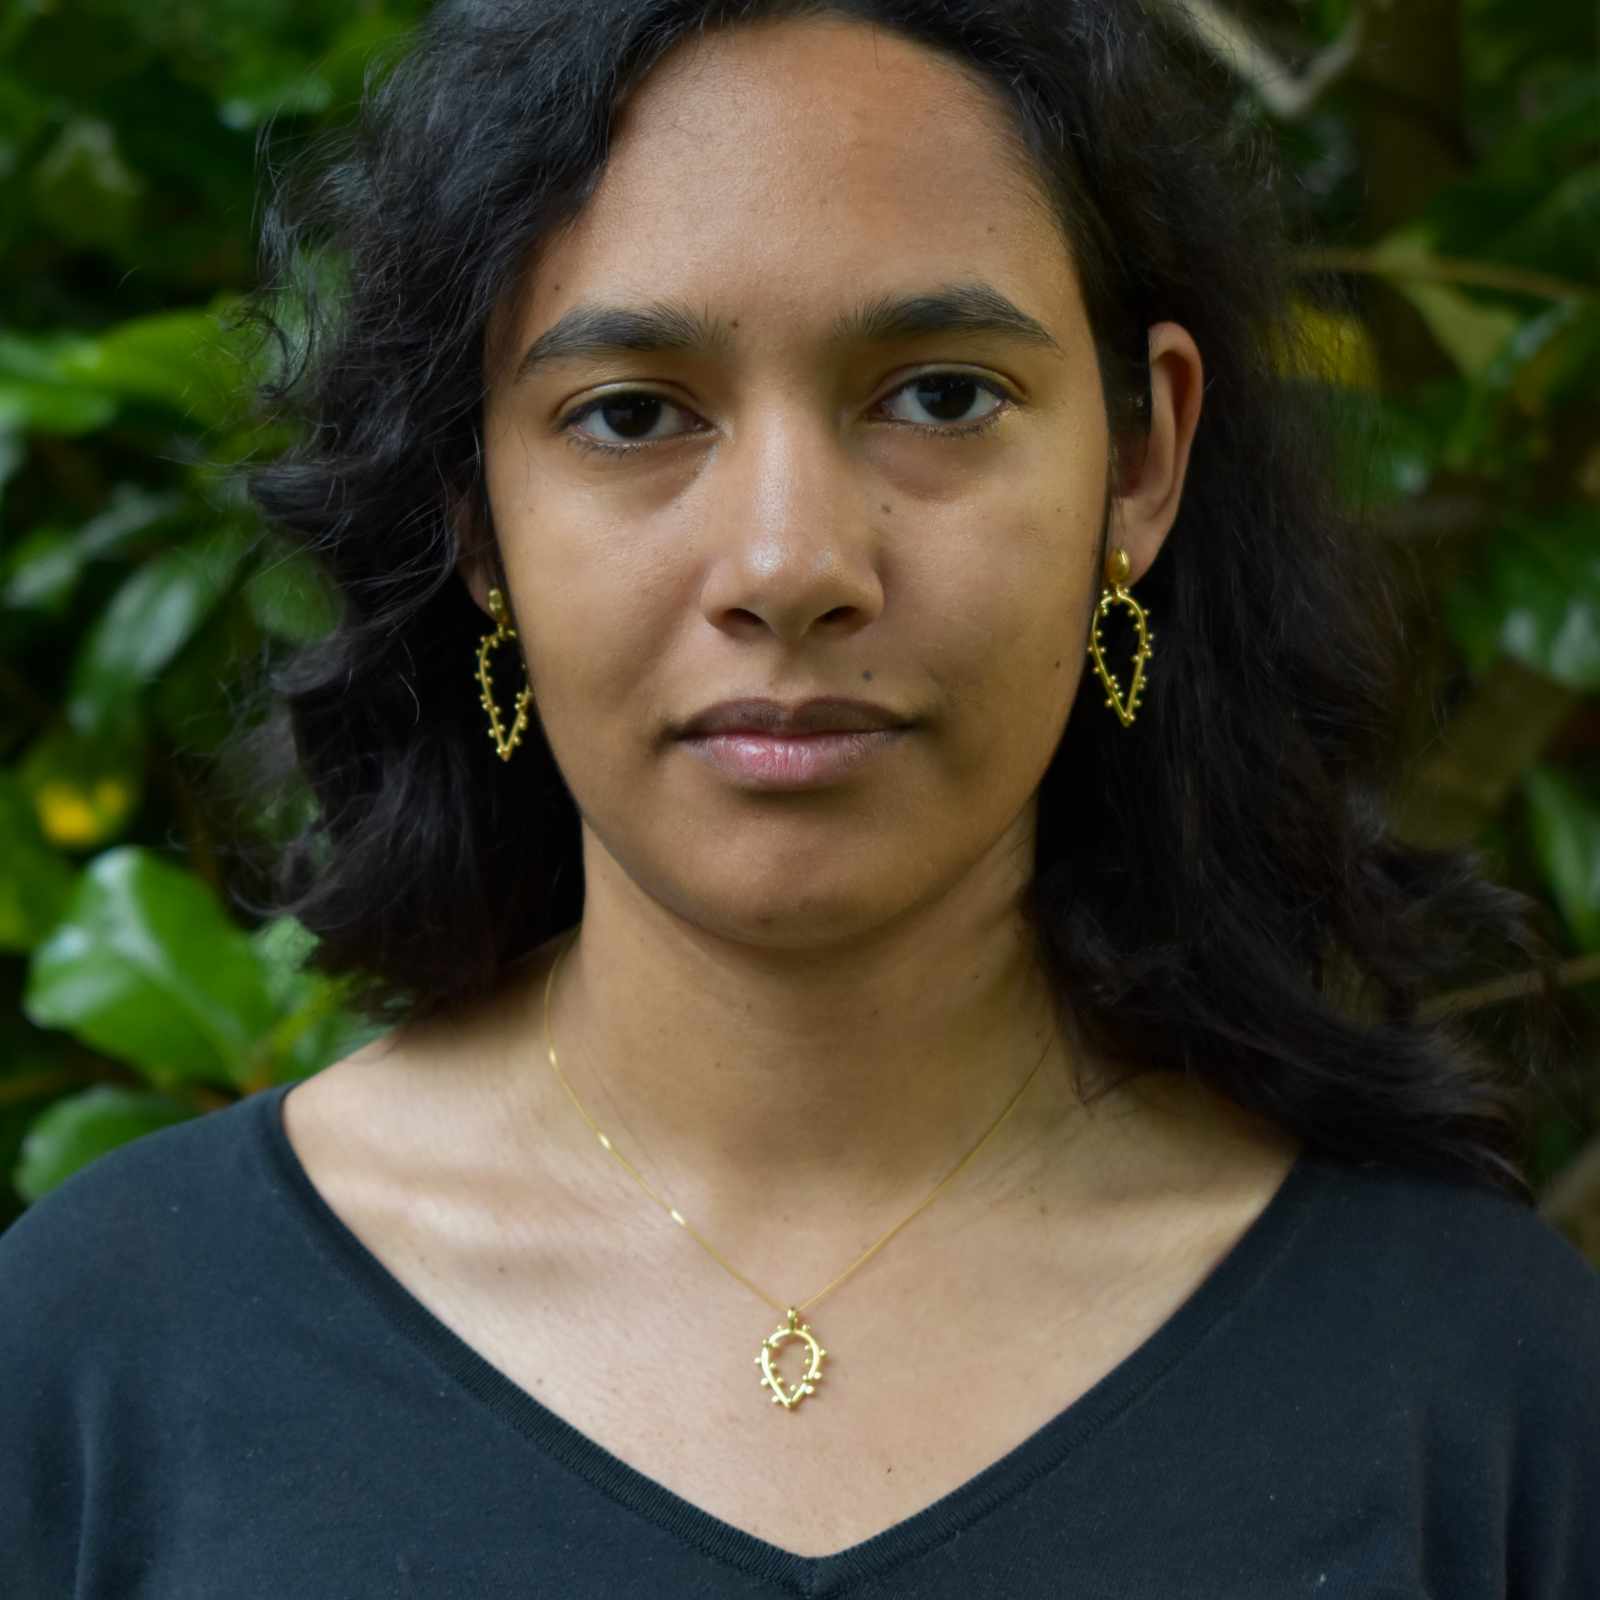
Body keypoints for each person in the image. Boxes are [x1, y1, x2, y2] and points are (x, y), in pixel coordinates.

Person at [3, 0, 1597, 1593]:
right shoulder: (106, 1353)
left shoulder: (1479, 1389)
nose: (789, 564)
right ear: (472, 508)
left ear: (1140, 461)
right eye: (633, 413)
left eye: (942, 396)